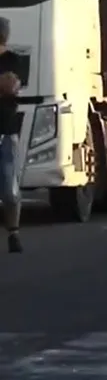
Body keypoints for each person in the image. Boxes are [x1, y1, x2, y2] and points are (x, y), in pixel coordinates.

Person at [0, 17, 22, 252]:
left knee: (9, 187)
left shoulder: (13, 60)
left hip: (6, 131)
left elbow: (12, 86)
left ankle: (13, 234)